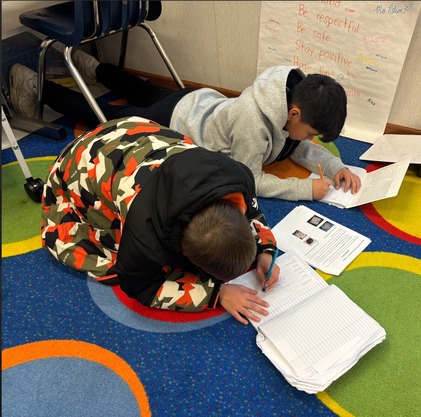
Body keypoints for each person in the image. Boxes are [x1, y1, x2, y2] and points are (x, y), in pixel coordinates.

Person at [10, 51, 361, 201]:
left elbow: (297, 144)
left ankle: (90, 65)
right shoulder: (254, 124)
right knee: (105, 115)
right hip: (178, 120)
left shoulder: (289, 97)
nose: (310, 140)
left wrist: (335, 166)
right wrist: (304, 190)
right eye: (313, 132)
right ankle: (35, 85)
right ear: (295, 114)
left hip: (199, 101)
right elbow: (250, 178)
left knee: (142, 88)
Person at [41, 116, 280, 325]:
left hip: (132, 131)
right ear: (184, 253)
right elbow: (141, 287)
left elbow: (251, 212)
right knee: (107, 253)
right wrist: (217, 292)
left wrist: (266, 250)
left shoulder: (238, 177)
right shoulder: (144, 235)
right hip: (78, 163)